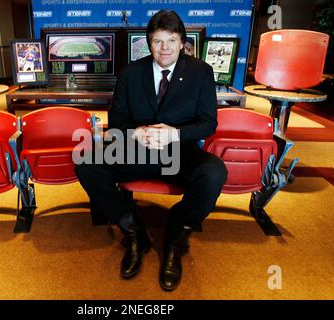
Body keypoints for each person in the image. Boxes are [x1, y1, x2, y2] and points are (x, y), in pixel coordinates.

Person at [75, 10, 227, 291]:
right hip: (138, 149)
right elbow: (118, 120)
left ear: (182, 42)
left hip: (180, 151)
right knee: (86, 163)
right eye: (158, 41)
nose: (164, 48)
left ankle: (175, 238)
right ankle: (135, 233)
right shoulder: (131, 73)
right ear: (148, 43)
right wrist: (138, 132)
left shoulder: (201, 72)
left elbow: (208, 124)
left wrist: (174, 133)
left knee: (214, 173)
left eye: (171, 40)